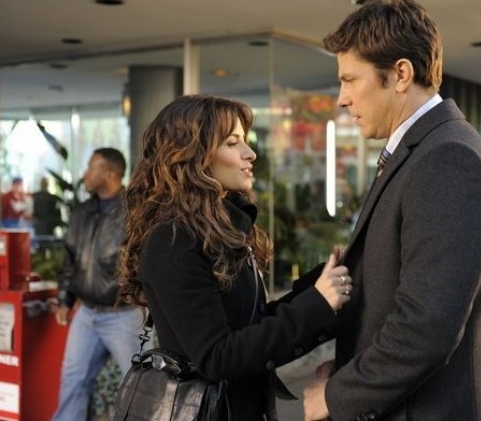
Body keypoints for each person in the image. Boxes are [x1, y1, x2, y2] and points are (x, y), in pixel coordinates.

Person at [302, 0, 481, 421]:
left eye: (350, 80)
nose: (341, 99)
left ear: (400, 74)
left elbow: (425, 326)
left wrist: (337, 396)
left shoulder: (449, 159)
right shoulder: (427, 151)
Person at [116, 94, 352, 421]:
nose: (250, 153)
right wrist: (317, 305)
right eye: (232, 143)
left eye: (245, 141)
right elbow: (216, 356)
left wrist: (322, 288)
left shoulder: (221, 229)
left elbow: (252, 325)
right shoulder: (172, 239)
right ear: (193, 156)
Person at [52, 148, 143, 421]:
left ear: (111, 174)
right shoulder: (81, 212)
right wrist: (65, 299)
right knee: (72, 381)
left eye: (92, 168)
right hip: (87, 313)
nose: (85, 174)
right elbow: (71, 259)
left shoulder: (135, 211)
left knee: (139, 387)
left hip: (124, 314)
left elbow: (147, 260)